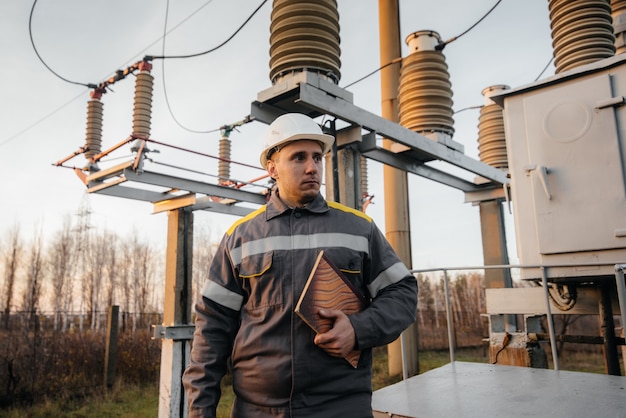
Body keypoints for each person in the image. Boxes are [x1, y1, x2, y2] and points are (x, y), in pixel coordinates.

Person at [182, 113, 418, 418]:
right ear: (272, 168)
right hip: (257, 410)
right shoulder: (240, 237)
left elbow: (403, 293)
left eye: (317, 157)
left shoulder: (358, 228)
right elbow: (212, 326)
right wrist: (200, 411)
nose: (312, 167)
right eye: (298, 157)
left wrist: (358, 329)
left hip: (340, 407)